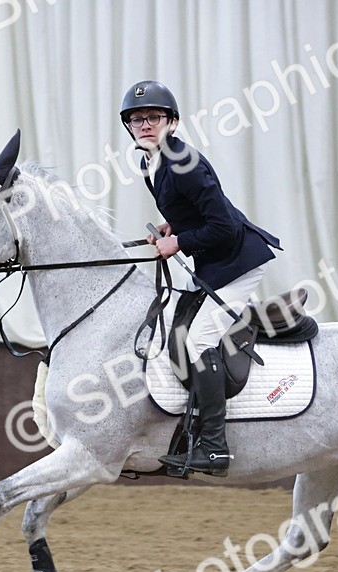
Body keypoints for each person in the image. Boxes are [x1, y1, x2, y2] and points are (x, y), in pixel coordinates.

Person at [120, 80, 281, 477]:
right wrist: (171, 226)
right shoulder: (150, 163)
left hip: (237, 262)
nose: (145, 124)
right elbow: (195, 210)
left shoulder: (183, 162)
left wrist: (178, 242)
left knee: (199, 340)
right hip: (213, 262)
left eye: (154, 117)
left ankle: (213, 447)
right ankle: (188, 431)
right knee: (176, 326)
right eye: (137, 119)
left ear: (172, 122)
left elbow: (223, 225)